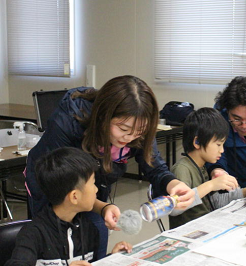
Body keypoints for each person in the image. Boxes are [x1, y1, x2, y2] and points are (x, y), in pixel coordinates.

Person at [25, 75, 195, 258]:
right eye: (123, 129)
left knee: (97, 231)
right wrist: (101, 206)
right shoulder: (68, 122)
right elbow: (61, 185)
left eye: (139, 132)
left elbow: (154, 166)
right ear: (104, 116)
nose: (130, 137)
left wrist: (173, 184)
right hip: (51, 186)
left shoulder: (137, 127)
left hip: (90, 190)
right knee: (54, 244)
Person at [7, 147, 133, 265]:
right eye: (93, 184)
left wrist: (112, 258)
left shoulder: (89, 229)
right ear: (74, 196)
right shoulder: (33, 234)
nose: (96, 190)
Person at [169, 108, 246, 229]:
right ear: (197, 142)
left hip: (206, 226)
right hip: (190, 233)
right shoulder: (182, 169)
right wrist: (211, 185)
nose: (222, 150)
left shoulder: (202, 166)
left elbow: (213, 202)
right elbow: (174, 208)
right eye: (218, 145)